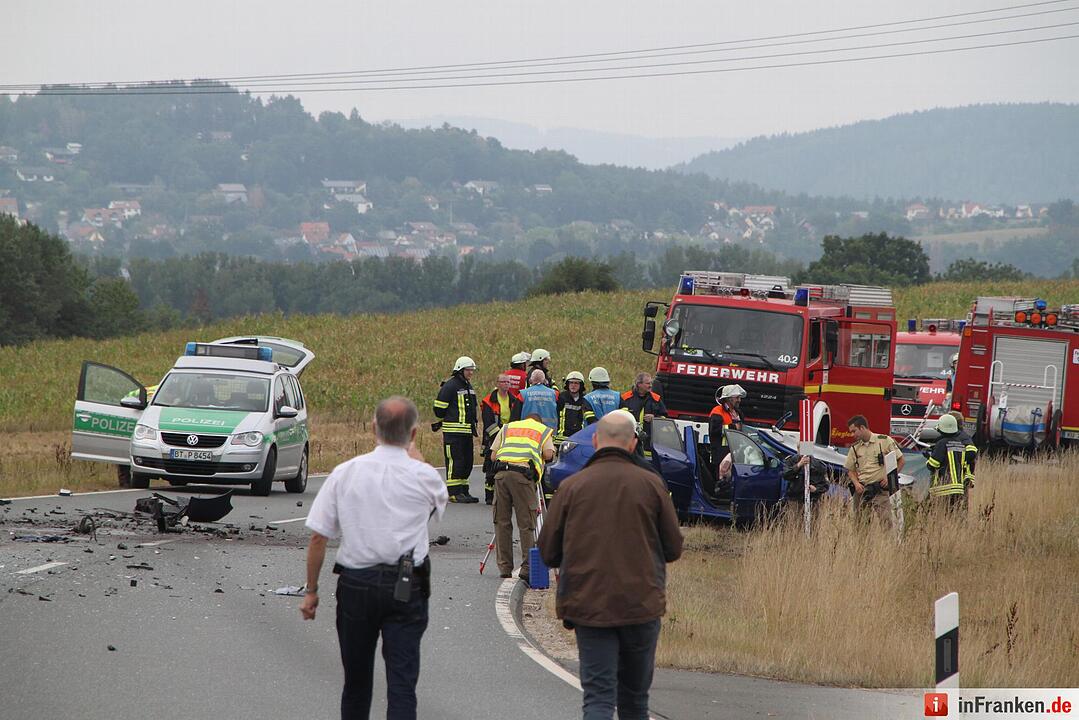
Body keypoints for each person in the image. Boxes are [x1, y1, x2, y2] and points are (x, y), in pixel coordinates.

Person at [300, 396, 447, 720]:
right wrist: (414, 451)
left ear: (373, 428)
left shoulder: (344, 473)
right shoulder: (425, 477)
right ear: (413, 433)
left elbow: (318, 535)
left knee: (356, 682)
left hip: (357, 584)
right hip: (407, 583)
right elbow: (437, 507)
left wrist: (311, 591)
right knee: (402, 684)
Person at [538, 411, 684, 720]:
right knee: (635, 702)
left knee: (599, 699)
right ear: (632, 444)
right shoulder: (652, 485)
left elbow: (548, 551)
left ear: (595, 441)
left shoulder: (571, 488)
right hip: (640, 607)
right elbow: (673, 548)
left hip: (590, 607)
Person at [489, 412, 556, 584]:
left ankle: (504, 567)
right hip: (522, 477)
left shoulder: (507, 427)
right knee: (526, 523)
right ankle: (527, 568)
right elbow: (548, 454)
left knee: (502, 521)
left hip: (501, 475)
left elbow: (493, 456)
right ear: (538, 421)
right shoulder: (543, 430)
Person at [432, 356, 480, 503]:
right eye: (468, 370)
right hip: (453, 433)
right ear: (460, 370)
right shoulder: (450, 386)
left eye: (472, 370)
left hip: (466, 432)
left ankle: (464, 491)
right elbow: (438, 409)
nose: (471, 373)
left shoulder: (467, 386)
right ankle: (453, 493)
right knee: (455, 461)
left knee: (467, 462)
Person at [843, 414, 904, 522]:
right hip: (862, 490)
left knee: (887, 521)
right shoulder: (855, 448)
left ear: (862, 427)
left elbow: (901, 460)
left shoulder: (884, 440)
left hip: (880, 489)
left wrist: (889, 477)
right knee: (860, 523)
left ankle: (887, 539)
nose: (852, 434)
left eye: (854, 431)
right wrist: (856, 483)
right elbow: (850, 470)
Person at [480, 374, 523, 505]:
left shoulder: (514, 400)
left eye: (508, 382)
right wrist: (500, 436)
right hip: (494, 437)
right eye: (503, 382)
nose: (506, 384)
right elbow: (488, 422)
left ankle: (507, 495)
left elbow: (516, 419)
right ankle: (489, 495)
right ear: (498, 383)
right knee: (491, 465)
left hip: (509, 437)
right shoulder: (489, 401)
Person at [926, 413, 978, 509]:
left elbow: (933, 465)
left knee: (941, 514)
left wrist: (928, 459)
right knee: (957, 513)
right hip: (959, 486)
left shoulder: (941, 443)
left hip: (944, 488)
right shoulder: (960, 443)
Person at [619, 372, 667, 455]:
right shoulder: (626, 398)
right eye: (648, 383)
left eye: (651, 383)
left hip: (650, 443)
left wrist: (654, 418)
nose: (651, 385)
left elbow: (664, 418)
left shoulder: (656, 399)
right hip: (630, 443)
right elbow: (620, 418)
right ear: (639, 384)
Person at [708, 384, 745, 478]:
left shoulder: (738, 412)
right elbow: (715, 431)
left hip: (736, 453)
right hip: (721, 455)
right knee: (721, 483)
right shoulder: (717, 412)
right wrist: (733, 427)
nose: (739, 400)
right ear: (728, 398)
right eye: (737, 397)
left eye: (740, 398)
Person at [555, 371, 588, 447]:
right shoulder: (561, 397)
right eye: (571, 383)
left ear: (581, 385)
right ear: (567, 384)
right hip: (561, 438)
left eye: (576, 383)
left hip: (579, 438)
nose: (573, 385)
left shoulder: (584, 399)